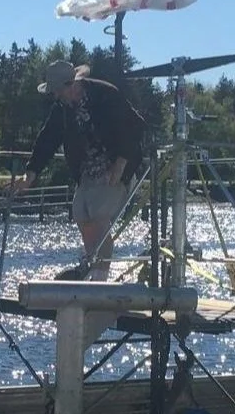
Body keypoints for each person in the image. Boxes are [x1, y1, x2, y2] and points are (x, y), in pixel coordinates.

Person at [9, 59, 147, 282]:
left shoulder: (105, 95)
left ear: (71, 85)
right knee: (81, 213)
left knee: (99, 216)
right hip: (87, 170)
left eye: (57, 91)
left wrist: (120, 164)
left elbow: (134, 126)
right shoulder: (62, 109)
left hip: (116, 165)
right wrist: (30, 173)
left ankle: (100, 276)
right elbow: (47, 139)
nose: (55, 96)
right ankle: (92, 266)